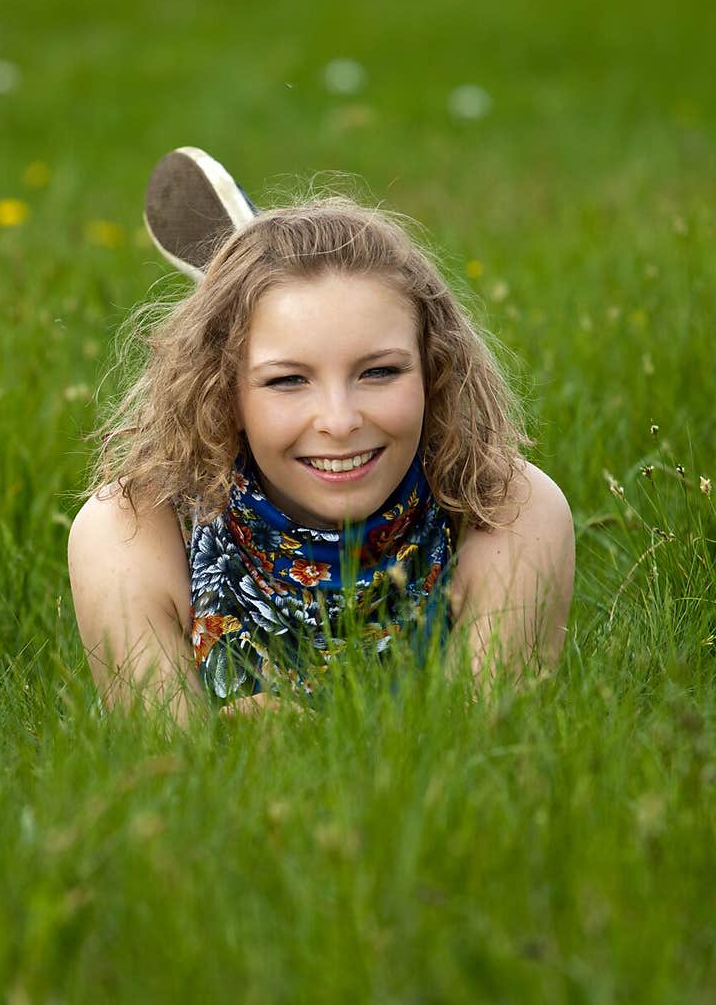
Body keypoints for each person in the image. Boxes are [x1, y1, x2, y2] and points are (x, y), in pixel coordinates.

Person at [67, 147, 575, 723]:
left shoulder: (506, 512)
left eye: (379, 371)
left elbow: (478, 758)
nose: (338, 421)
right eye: (287, 380)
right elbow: (164, 777)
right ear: (222, 393)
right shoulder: (132, 531)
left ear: (435, 372)